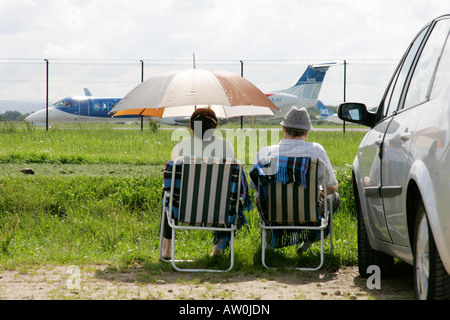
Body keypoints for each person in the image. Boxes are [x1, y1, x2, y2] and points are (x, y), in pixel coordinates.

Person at [250, 106, 340, 251]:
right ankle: (310, 237)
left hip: (273, 213)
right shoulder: (316, 151)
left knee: (260, 196)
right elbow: (331, 186)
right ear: (307, 132)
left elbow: (255, 186)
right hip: (308, 213)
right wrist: (317, 189)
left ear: (283, 129)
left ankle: (274, 239)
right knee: (334, 197)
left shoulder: (265, 153)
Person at [161, 107, 246, 259]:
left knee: (167, 192)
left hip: (185, 209)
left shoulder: (181, 147)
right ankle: (218, 249)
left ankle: (166, 250)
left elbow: (172, 181)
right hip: (218, 211)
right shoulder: (226, 146)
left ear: (191, 126)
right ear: (215, 126)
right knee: (227, 192)